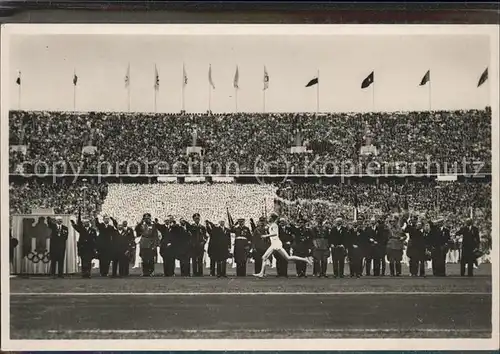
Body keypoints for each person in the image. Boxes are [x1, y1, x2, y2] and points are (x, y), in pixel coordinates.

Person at [253, 214, 312, 278]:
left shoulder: (275, 225)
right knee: (287, 258)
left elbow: (275, 234)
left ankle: (261, 273)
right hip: (275, 243)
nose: (269, 218)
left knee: (265, 257)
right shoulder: (272, 225)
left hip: (276, 243)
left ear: (272, 218)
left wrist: (266, 236)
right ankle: (304, 259)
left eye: (270, 217)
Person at [71, 208, 97, 278]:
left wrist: (95, 248)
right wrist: (78, 216)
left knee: (88, 261)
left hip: (90, 248)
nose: (86, 224)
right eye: (85, 223)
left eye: (87, 223)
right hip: (83, 247)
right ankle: (84, 273)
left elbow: (95, 239)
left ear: (89, 223)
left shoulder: (93, 230)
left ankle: (88, 273)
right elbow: (78, 225)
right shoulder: (81, 229)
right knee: (83, 261)